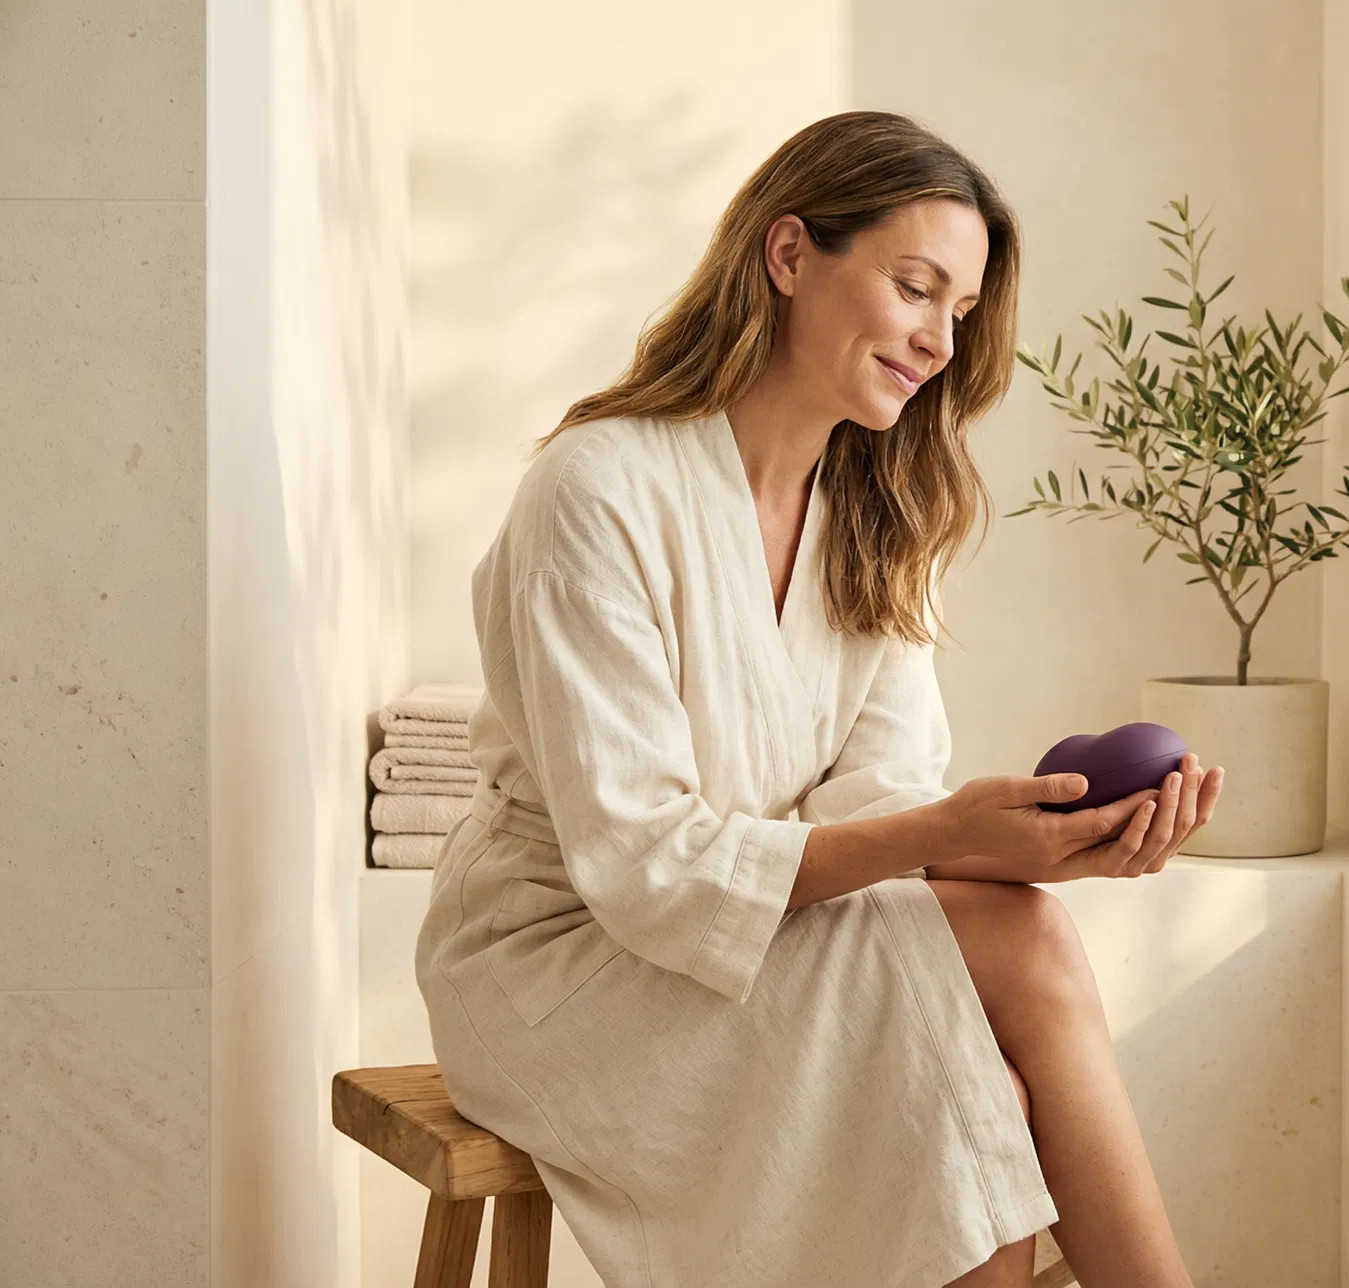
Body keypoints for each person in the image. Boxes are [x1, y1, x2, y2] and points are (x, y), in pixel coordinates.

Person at [414, 109, 1223, 1288]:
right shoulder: (596, 492)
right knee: (967, 1081)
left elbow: (881, 794)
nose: (943, 338)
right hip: (563, 963)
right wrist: (947, 838)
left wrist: (1044, 846)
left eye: (961, 311)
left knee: (1003, 998)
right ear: (790, 255)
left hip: (762, 932)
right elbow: (644, 863)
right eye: (916, 287)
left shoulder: (878, 516)